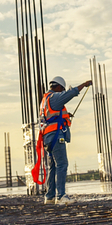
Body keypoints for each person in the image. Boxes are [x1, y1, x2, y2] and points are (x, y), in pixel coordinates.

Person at [40, 76, 91, 205]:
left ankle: (50, 196)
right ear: (58, 87)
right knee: (62, 164)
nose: (62, 92)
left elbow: (52, 116)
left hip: (48, 138)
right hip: (56, 136)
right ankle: (61, 196)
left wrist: (66, 116)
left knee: (53, 166)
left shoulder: (45, 100)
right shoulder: (54, 97)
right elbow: (70, 94)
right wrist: (84, 84)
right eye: (61, 89)